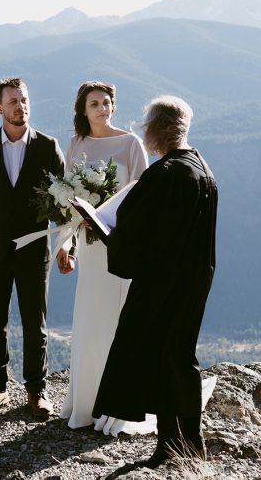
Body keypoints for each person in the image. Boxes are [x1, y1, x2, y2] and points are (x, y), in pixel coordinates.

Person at [92, 95, 218, 467]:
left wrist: (104, 230)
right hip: (193, 280)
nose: (144, 132)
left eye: (148, 125)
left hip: (163, 284)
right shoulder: (200, 168)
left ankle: (171, 445)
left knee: (162, 358)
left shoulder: (165, 174)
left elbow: (136, 229)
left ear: (160, 129)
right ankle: (187, 442)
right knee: (179, 358)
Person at [0, 77, 65, 420]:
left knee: (37, 324)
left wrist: (68, 245)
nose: (21, 105)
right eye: (14, 101)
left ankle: (37, 391)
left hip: (35, 252)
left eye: (25, 99)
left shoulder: (48, 146)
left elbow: (65, 202)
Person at [54, 81, 151, 435]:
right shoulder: (76, 144)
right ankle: (85, 403)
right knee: (91, 322)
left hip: (119, 245)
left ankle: (118, 405)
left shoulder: (130, 143)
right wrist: (66, 246)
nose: (102, 108)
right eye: (95, 103)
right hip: (89, 247)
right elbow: (68, 204)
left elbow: (144, 195)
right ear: (83, 109)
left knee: (117, 322)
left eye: (107, 102)